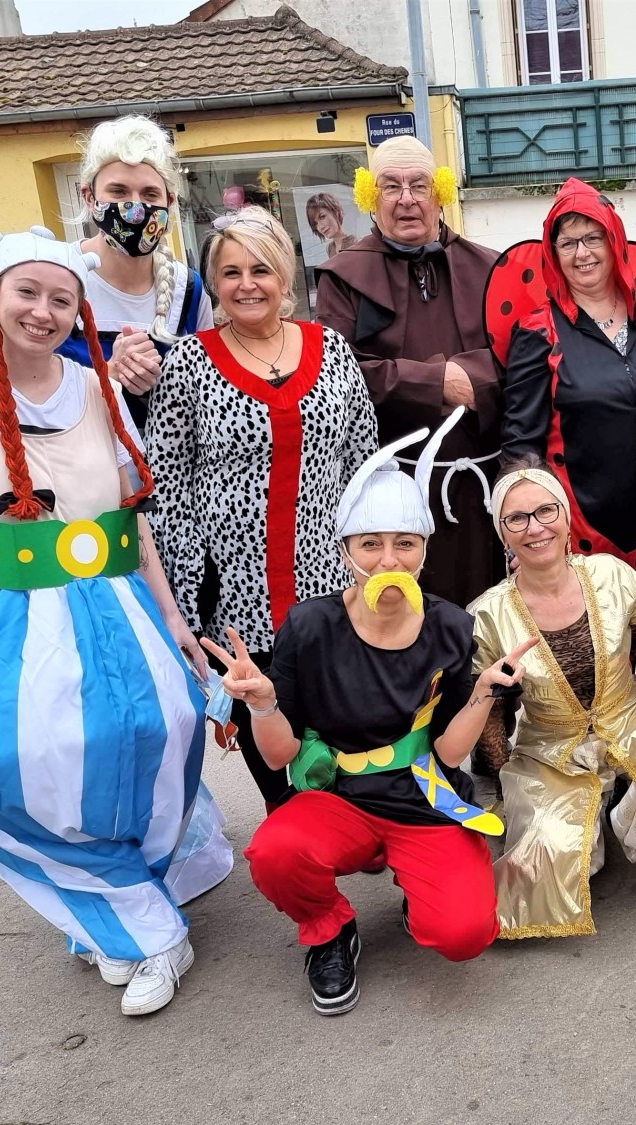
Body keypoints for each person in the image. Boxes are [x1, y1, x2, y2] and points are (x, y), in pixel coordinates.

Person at [0, 225, 234, 1017]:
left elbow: (131, 525)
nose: (43, 312)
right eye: (28, 293)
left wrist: (172, 617)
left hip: (108, 606)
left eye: (61, 300)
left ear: (79, 312)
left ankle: (119, 902)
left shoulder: (96, 390)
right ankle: (146, 927)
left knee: (151, 739)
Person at [215, 412, 516, 1016]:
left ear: (424, 551)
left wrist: (484, 693)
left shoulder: (452, 625)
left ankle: (420, 884)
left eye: (404, 544)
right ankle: (328, 929)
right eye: (370, 544)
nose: (388, 561)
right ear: (346, 549)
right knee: (275, 853)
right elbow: (280, 757)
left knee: (464, 934)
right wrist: (265, 704)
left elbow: (452, 754)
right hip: (339, 797)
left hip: (423, 794)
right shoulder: (309, 625)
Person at [147, 206, 378, 809]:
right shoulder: (188, 364)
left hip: (331, 587)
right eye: (229, 272)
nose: (246, 284)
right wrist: (190, 598)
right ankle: (298, 851)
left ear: (284, 277)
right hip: (237, 593)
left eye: (260, 269)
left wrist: (374, 562)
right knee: (268, 733)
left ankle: (361, 832)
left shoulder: (330, 349)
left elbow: (364, 465)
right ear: (214, 283)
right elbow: (169, 490)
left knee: (345, 727)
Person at [469, 464, 636, 934]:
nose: (535, 527)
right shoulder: (488, 614)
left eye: (546, 510)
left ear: (566, 518)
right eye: (517, 518)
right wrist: (503, 771)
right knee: (558, 869)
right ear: (501, 533)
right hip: (552, 749)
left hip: (627, 716)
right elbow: (492, 704)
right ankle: (598, 823)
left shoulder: (611, 574)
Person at [314, 135, 505, 608]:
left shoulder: (490, 266)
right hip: (390, 491)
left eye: (418, 185)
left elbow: (520, 353)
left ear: (438, 192)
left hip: (478, 484)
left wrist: (474, 380)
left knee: (486, 616)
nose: (406, 199)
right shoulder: (343, 276)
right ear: (368, 196)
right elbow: (338, 370)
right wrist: (435, 382)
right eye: (390, 186)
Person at [489, 178, 636, 590]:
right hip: (572, 524)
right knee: (581, 640)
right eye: (568, 243)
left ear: (615, 240)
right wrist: (523, 533)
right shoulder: (539, 331)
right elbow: (521, 441)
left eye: (593, 238)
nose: (582, 253)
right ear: (552, 253)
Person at [61, 114, 214, 428]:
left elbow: (209, 390)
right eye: (118, 192)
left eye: (149, 195)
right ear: (89, 197)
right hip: (87, 471)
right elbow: (23, 391)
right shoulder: (57, 277)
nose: (135, 209)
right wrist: (109, 376)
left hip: (171, 472)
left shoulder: (188, 289)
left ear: (169, 202)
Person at [306, 191, 355, 258]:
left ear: (336, 212)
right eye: (315, 224)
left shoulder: (357, 244)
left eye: (322, 217)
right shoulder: (330, 248)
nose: (320, 227)